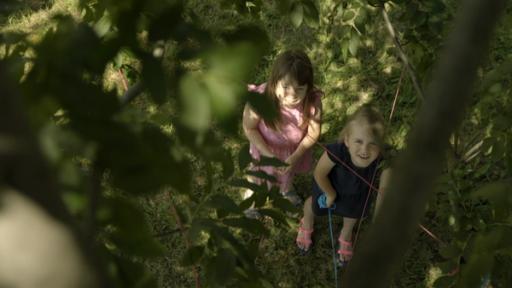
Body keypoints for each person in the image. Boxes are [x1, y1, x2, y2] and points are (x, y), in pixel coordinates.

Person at [295, 104, 391, 265]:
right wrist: (330, 193)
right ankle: (307, 222)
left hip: (357, 193)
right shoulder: (338, 151)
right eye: (358, 141)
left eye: (373, 143)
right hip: (329, 187)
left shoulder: (385, 160)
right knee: (314, 207)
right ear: (347, 140)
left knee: (354, 213)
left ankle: (346, 234)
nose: (365, 149)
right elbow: (319, 173)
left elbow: (384, 191)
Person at [242, 50, 323, 217]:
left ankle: (285, 190)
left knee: (287, 173)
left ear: (308, 87)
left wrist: (295, 157)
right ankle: (251, 198)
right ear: (274, 82)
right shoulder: (261, 99)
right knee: (258, 176)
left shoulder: (312, 101)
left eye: (300, 89)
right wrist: (268, 155)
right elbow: (249, 128)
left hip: (292, 151)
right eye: (285, 87)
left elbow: (313, 133)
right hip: (264, 148)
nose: (291, 95)